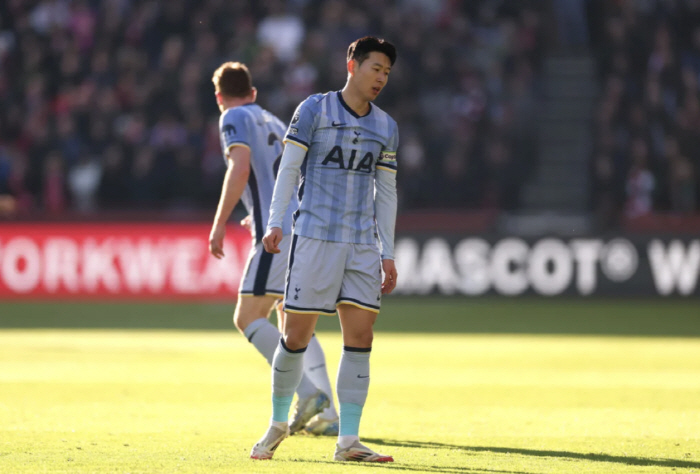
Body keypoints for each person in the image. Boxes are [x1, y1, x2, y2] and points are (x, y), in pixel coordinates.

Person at [250, 36, 399, 462]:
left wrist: (387, 251)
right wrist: (276, 221)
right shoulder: (314, 109)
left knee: (361, 336)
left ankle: (348, 441)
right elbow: (290, 167)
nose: (381, 78)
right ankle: (278, 424)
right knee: (296, 335)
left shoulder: (386, 127)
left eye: (387, 72)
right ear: (352, 64)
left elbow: (386, 193)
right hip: (315, 237)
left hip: (361, 246)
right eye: (376, 68)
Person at [208, 61, 339, 436]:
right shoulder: (273, 121)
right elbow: (294, 173)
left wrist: (219, 224)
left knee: (247, 317)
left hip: (276, 235)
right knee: (292, 318)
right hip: (304, 228)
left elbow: (240, 167)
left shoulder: (232, 116)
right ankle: (327, 414)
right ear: (253, 92)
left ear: (220, 97)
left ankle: (307, 392)